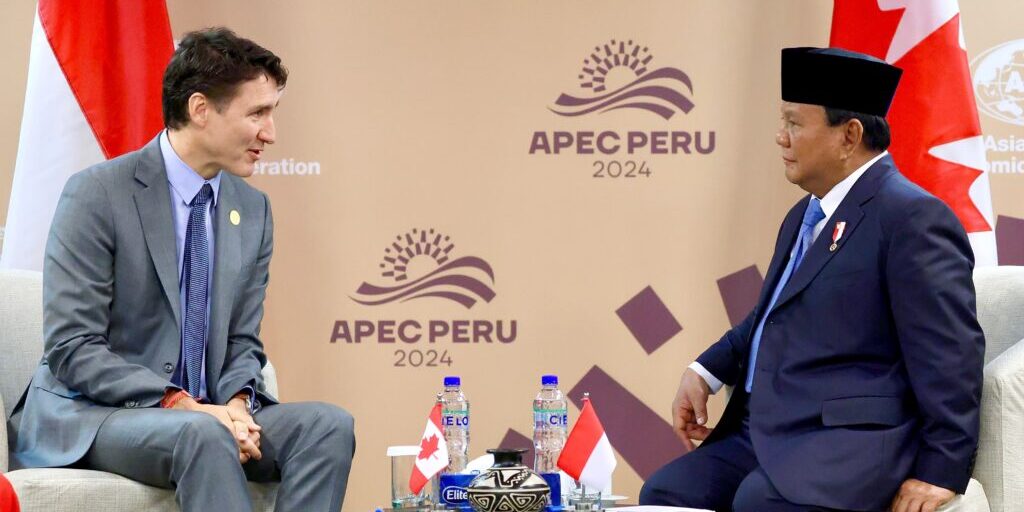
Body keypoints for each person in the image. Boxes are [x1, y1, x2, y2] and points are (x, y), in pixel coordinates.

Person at [7, 27, 355, 512]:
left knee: (326, 425)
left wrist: (234, 402)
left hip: (206, 413)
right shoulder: (98, 194)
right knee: (201, 435)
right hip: (97, 414)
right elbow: (73, 348)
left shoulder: (251, 210)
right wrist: (182, 403)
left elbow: (241, 341)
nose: (270, 133)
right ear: (199, 109)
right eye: (257, 113)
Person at [640, 47, 984, 512]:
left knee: (756, 502)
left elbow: (950, 356)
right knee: (666, 493)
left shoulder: (912, 218)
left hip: (844, 441)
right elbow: (774, 315)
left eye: (795, 124)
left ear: (849, 135)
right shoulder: (804, 214)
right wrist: (708, 371)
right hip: (766, 429)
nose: (781, 138)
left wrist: (941, 470)